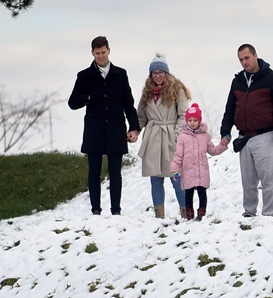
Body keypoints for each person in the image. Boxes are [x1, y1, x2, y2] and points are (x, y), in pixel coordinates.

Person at [67, 36, 139, 215]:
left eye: (103, 52)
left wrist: (134, 127)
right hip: (94, 130)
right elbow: (72, 102)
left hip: (115, 128)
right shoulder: (84, 76)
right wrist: (86, 98)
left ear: (109, 51)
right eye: (97, 53)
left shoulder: (120, 74)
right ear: (92, 53)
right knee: (94, 172)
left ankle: (116, 210)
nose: (100, 56)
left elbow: (128, 103)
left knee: (116, 172)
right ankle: (95, 210)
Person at [220, 44, 273, 217]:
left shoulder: (272, 79)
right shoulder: (237, 81)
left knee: (268, 179)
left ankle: (269, 215)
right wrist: (225, 131)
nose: (244, 62)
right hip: (244, 137)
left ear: (255, 55)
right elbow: (230, 108)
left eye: (247, 58)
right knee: (248, 181)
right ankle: (249, 214)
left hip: (266, 135)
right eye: (241, 59)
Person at [137, 54, 191, 218]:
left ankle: (185, 212)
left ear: (166, 73)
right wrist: (134, 131)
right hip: (153, 138)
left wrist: (177, 135)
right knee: (155, 179)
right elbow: (141, 116)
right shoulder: (147, 93)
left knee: (176, 177)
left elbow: (184, 115)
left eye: (161, 72)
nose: (158, 76)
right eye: (154, 73)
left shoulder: (177, 90)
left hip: (170, 137)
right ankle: (159, 215)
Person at [170, 103, 228, 221]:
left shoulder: (205, 136)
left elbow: (212, 150)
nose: (192, 122)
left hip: (202, 171)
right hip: (188, 171)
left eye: (195, 120)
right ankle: (189, 212)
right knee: (189, 193)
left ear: (199, 121)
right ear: (186, 121)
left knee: (202, 192)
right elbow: (178, 155)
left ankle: (202, 212)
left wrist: (223, 145)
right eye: (190, 120)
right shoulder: (182, 137)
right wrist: (175, 169)